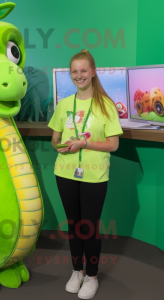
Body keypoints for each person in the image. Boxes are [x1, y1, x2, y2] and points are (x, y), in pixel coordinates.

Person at [48, 49, 123, 299]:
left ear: (92, 72)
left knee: (88, 227)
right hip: (65, 172)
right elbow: (54, 139)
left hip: (94, 175)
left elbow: (113, 144)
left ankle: (92, 275)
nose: (78, 75)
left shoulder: (106, 105)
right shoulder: (64, 105)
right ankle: (76, 270)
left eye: (83, 70)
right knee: (73, 226)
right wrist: (61, 146)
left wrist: (85, 144)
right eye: (74, 71)